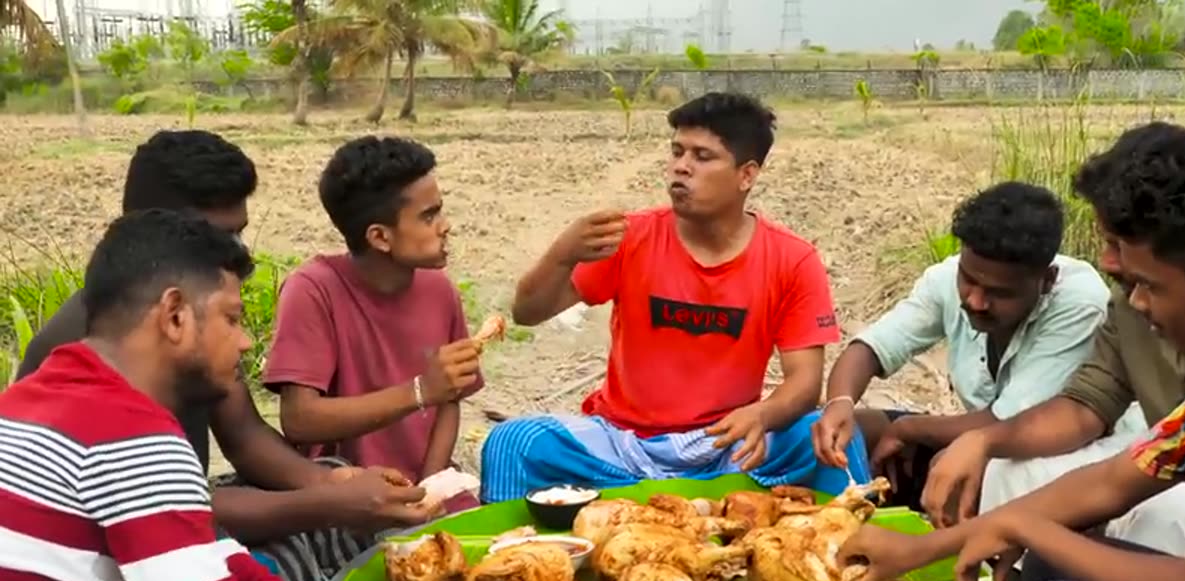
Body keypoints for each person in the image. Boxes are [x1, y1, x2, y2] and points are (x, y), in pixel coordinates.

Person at [844, 123, 1185, 581]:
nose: (1136, 302)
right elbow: (1110, 481)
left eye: (1147, 286)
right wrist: (919, 551)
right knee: (1057, 559)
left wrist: (1023, 529)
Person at [0, 208, 440, 581]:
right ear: (175, 316)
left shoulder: (25, 401)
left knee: (259, 571)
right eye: (231, 319)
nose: (245, 341)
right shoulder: (136, 440)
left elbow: (195, 536)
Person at [17, 129, 439, 581]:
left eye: (240, 232)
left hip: (186, 512)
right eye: (221, 236)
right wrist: (326, 503)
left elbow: (244, 434)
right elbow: (176, 512)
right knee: (283, 568)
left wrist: (331, 481)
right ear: (157, 233)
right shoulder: (90, 349)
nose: (239, 254)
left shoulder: (196, 320)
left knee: (341, 479)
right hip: (117, 567)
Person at [479, 91, 857, 503]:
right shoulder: (630, 237)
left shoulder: (792, 259)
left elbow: (804, 382)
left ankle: (846, 554)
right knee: (511, 443)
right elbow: (528, 312)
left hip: (725, 445)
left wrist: (761, 415)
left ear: (746, 175)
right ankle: (511, 559)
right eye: (677, 152)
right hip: (622, 445)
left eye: (702, 156)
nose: (681, 166)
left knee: (831, 436)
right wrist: (562, 254)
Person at [925, 121, 1185, 557]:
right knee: (1002, 475)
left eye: (1118, 244)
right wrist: (984, 440)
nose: (1104, 261)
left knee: (1163, 512)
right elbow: (1085, 406)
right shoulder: (1127, 306)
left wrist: (1080, 514)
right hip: (1168, 467)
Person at [811, 181, 1110, 515]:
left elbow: (1007, 421)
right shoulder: (947, 277)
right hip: (982, 436)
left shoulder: (1081, 305)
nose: (976, 300)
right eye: (969, 279)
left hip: (1051, 456)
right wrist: (839, 404)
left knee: (953, 472)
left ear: (1048, 280)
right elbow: (868, 349)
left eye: (1000, 293)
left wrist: (910, 429)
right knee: (853, 433)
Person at [263, 135, 483, 496]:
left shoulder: (440, 290)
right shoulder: (313, 290)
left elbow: (449, 399)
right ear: (380, 237)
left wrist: (430, 486)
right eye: (429, 216)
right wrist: (419, 391)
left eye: (440, 210)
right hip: (346, 498)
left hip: (427, 489)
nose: (445, 225)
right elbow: (300, 420)